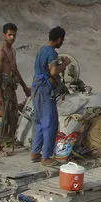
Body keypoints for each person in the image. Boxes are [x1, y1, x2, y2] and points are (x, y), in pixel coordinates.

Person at [30, 26, 70, 166]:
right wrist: (64, 64)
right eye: (62, 40)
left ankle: (35, 153)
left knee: (40, 122)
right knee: (50, 124)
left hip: (36, 88)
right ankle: (46, 157)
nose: (62, 42)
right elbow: (53, 71)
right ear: (59, 39)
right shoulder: (52, 53)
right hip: (45, 90)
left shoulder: (41, 50)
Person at [0, 22, 31, 156]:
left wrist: (24, 86)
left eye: (14, 35)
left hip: (10, 87)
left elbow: (15, 70)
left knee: (13, 116)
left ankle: (7, 142)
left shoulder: (12, 51)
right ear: (4, 35)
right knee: (1, 118)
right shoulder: (0, 53)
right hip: (2, 87)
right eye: (10, 35)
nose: (12, 37)